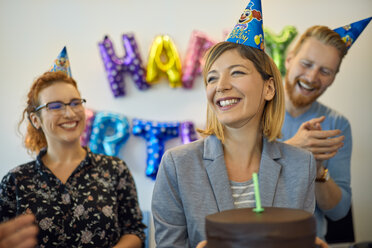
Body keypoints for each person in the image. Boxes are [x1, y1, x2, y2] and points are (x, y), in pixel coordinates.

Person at [152, 39, 317, 247]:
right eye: (212, 78)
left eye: (237, 72)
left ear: (269, 88)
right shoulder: (176, 165)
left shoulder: (302, 165)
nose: (221, 86)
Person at [0, 71, 145, 247]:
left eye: (75, 103)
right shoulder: (15, 181)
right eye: (55, 106)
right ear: (35, 119)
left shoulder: (115, 169)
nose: (69, 113)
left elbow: (134, 231)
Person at [282, 25, 355, 240]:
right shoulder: (251, 113)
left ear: (333, 77)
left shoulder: (336, 124)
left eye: (325, 71)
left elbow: (338, 211)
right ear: (289, 59)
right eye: (306, 64)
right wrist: (292, 150)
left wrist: (317, 171)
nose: (312, 77)